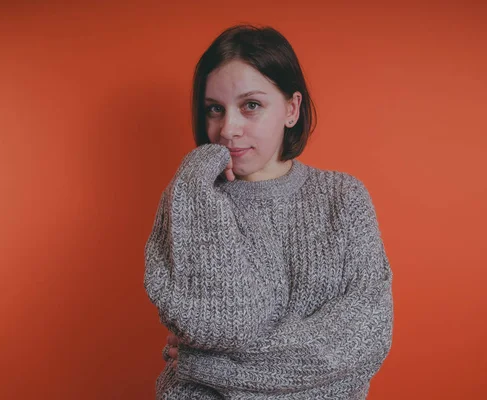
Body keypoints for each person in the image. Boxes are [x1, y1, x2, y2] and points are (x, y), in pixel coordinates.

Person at [144, 24, 394, 399]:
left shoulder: (344, 198)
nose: (228, 129)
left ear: (291, 109)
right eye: (215, 109)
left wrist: (204, 365)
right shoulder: (189, 201)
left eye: (251, 105)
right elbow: (219, 323)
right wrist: (195, 182)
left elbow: (361, 341)